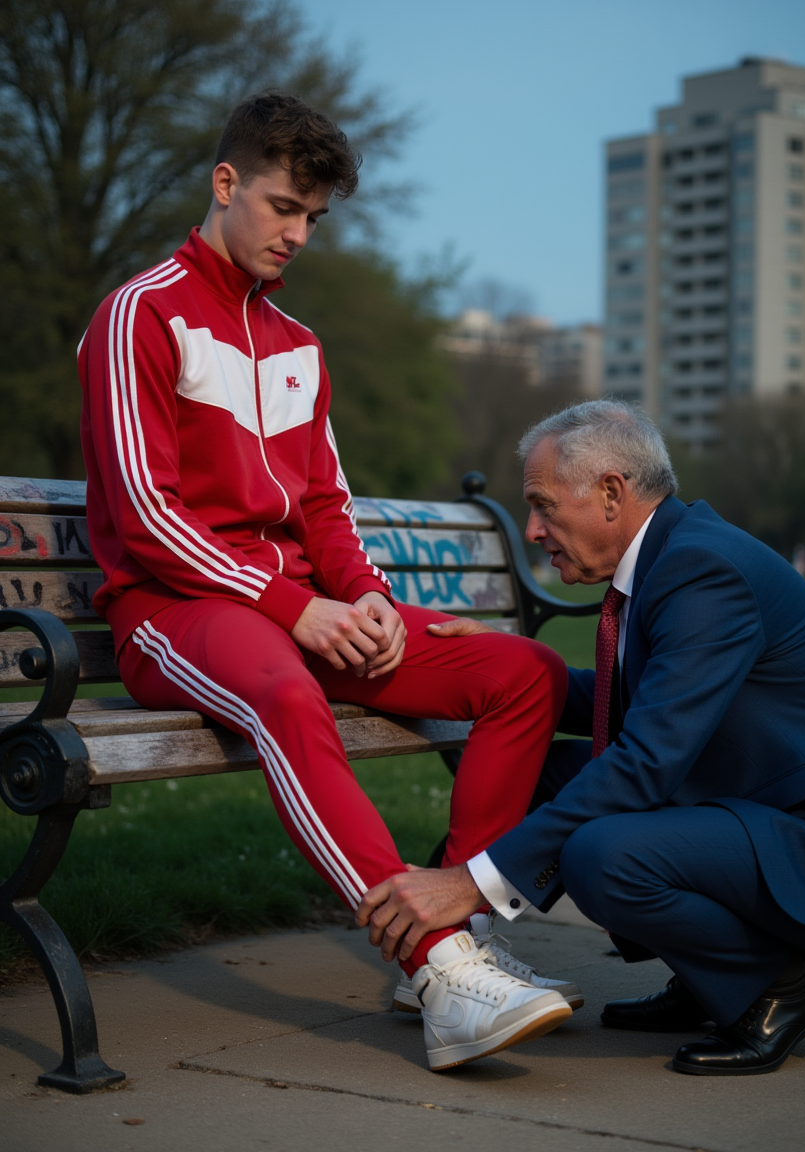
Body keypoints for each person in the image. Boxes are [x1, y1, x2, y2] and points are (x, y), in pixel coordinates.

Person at [77, 91, 579, 1072]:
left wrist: (369, 606)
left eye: (313, 216)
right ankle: (441, 975)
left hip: (298, 612)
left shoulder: (301, 346)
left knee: (519, 671)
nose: (297, 233)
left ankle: (453, 914)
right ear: (224, 185)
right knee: (284, 694)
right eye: (281, 206)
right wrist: (294, 608)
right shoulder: (139, 315)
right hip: (169, 615)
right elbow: (145, 518)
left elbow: (324, 511)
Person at [358, 399, 805, 1076]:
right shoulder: (674, 553)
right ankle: (703, 977)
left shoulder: (702, 569)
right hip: (761, 797)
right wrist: (514, 658)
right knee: (551, 774)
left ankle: (779, 986)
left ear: (611, 493)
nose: (531, 529)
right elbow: (639, 705)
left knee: (603, 853)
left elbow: (646, 761)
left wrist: (474, 881)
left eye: (544, 505)